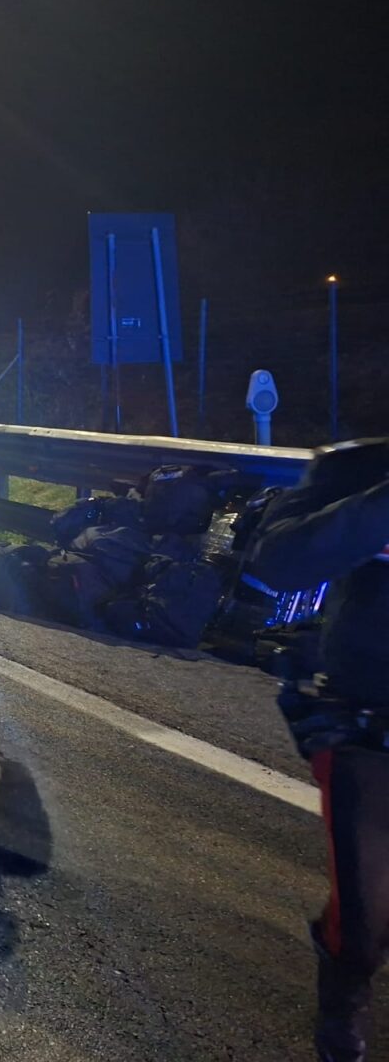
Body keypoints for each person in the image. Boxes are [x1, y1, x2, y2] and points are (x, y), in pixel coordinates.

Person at [245, 438, 389, 1062]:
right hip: (368, 724)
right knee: (366, 919)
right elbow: (278, 559)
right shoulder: (355, 468)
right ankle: (345, 988)